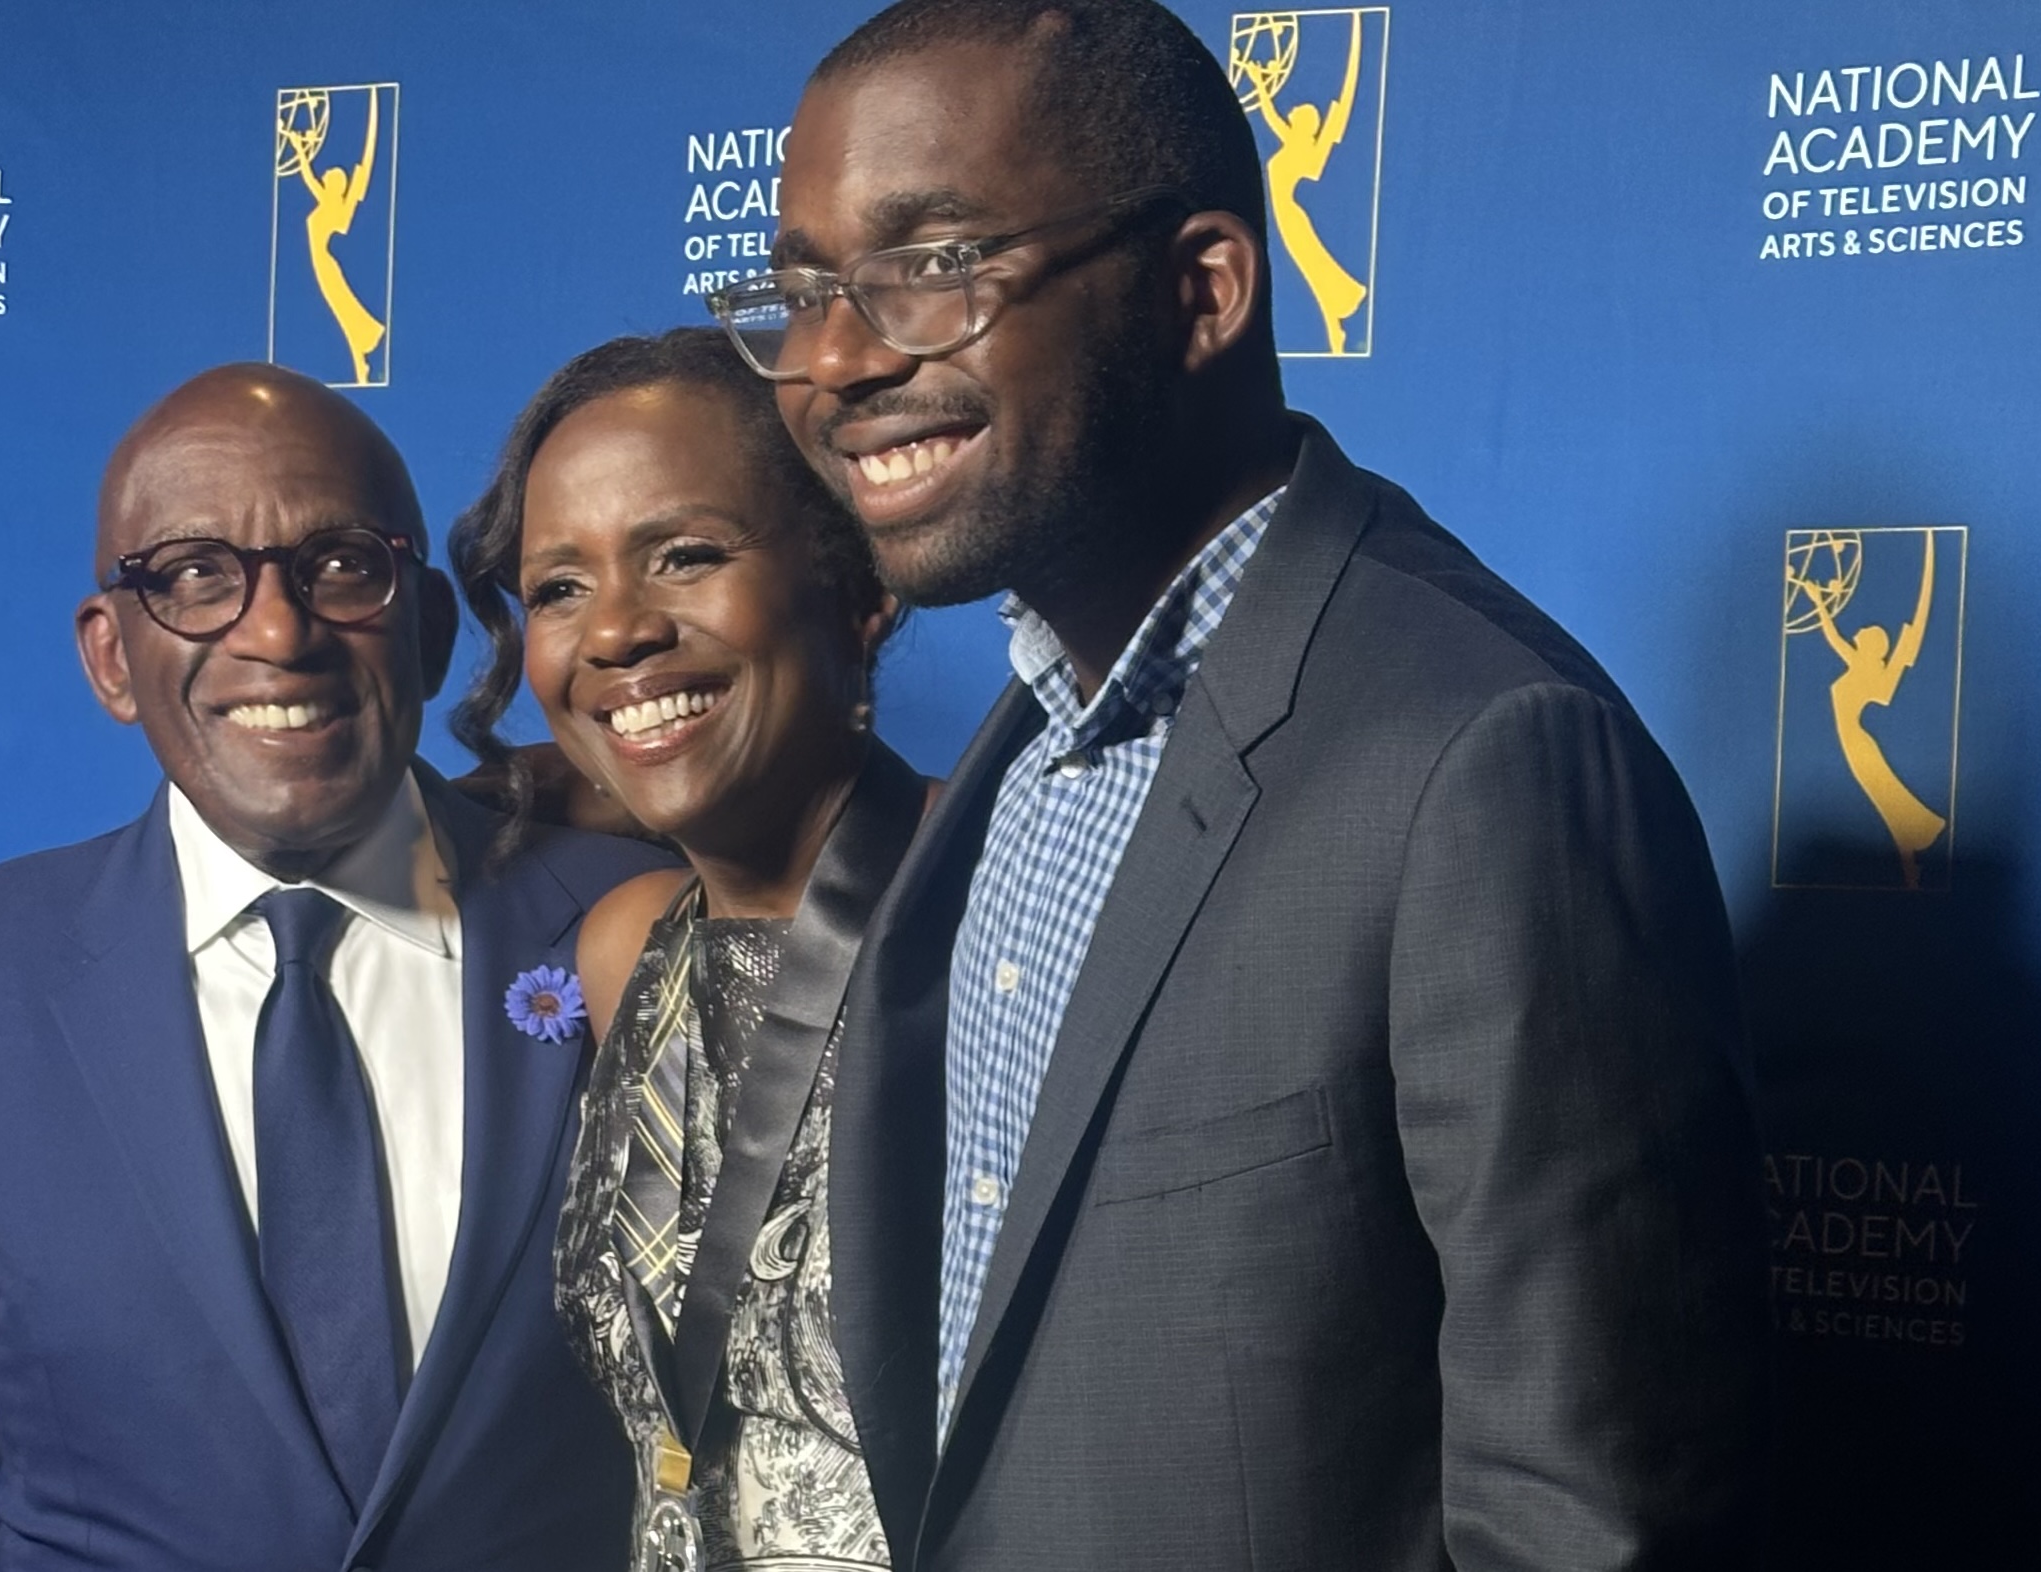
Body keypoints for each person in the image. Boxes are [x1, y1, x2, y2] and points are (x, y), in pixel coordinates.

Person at [708, 1, 1775, 1565]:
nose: (835, 363)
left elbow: (1588, 1531)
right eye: (802, 291)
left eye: (932, 270)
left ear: (1200, 289)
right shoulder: (1009, 748)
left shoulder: (1484, 763)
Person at [0, 364, 670, 1572]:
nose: (274, 632)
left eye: (341, 565)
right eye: (194, 576)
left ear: (424, 631)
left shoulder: (639, 931)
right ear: (110, 658)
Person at [447, 328, 919, 1572]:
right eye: (558, 589)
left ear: (860, 584)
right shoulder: (625, 951)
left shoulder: (997, 909)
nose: (613, 632)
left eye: (686, 556)